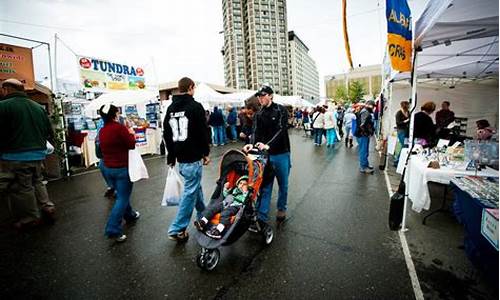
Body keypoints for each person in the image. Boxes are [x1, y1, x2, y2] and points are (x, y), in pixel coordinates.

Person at [0, 78, 55, 229]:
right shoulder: (38, 107)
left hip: (15, 155)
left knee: (23, 187)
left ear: (6, 89)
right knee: (37, 180)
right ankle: (47, 206)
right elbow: (49, 132)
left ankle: (30, 218)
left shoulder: (3, 106)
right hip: (38, 154)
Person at [163, 77, 211, 243]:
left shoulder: (170, 108)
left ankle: (203, 217)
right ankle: (177, 228)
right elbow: (202, 132)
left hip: (181, 158)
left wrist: (171, 156)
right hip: (193, 156)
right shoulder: (195, 107)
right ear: (190, 87)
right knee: (190, 191)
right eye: (194, 88)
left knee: (194, 187)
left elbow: (167, 134)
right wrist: (206, 153)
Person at [243, 85, 291, 227]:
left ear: (271, 95)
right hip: (265, 156)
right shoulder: (259, 114)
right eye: (258, 96)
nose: (260, 98)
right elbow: (255, 131)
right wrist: (251, 144)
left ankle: (281, 208)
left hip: (281, 153)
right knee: (265, 185)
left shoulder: (280, 110)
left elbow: (281, 129)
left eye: (263, 95)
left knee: (283, 184)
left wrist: (268, 144)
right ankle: (261, 217)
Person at [98, 104, 139, 242]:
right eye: (117, 112)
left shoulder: (102, 131)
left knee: (122, 195)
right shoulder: (119, 129)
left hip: (108, 168)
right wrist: (131, 133)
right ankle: (113, 228)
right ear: (114, 114)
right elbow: (131, 144)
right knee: (122, 198)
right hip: (122, 169)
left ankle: (130, 215)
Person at [355, 100, 375, 174]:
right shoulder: (365, 112)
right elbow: (363, 124)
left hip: (362, 134)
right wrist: (367, 132)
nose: (373, 107)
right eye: (372, 106)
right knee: (364, 151)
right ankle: (364, 167)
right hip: (363, 134)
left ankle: (365, 165)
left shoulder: (363, 110)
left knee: (364, 151)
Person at [394, 100, 410, 166]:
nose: (409, 106)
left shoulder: (408, 112)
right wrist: (405, 121)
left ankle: (400, 160)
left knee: (404, 145)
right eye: (408, 105)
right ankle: (397, 160)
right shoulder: (399, 113)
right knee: (402, 145)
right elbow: (398, 122)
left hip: (406, 131)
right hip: (401, 130)